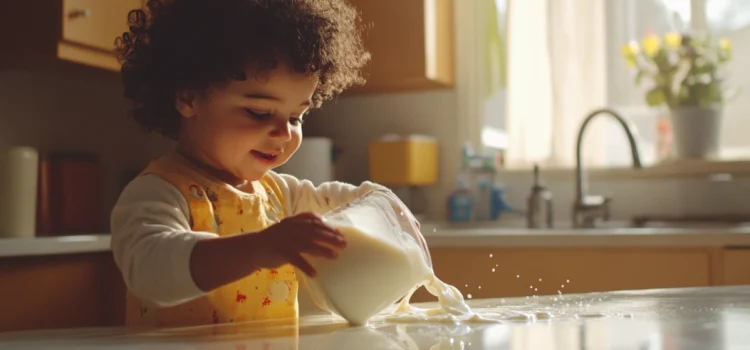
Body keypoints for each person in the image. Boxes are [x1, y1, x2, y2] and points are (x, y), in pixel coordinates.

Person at [110, 0, 417, 328]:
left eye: (297, 117)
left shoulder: (280, 194)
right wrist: (260, 247)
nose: (284, 132)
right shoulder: (158, 192)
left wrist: (386, 203)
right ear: (188, 97)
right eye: (259, 112)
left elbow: (347, 200)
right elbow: (151, 272)